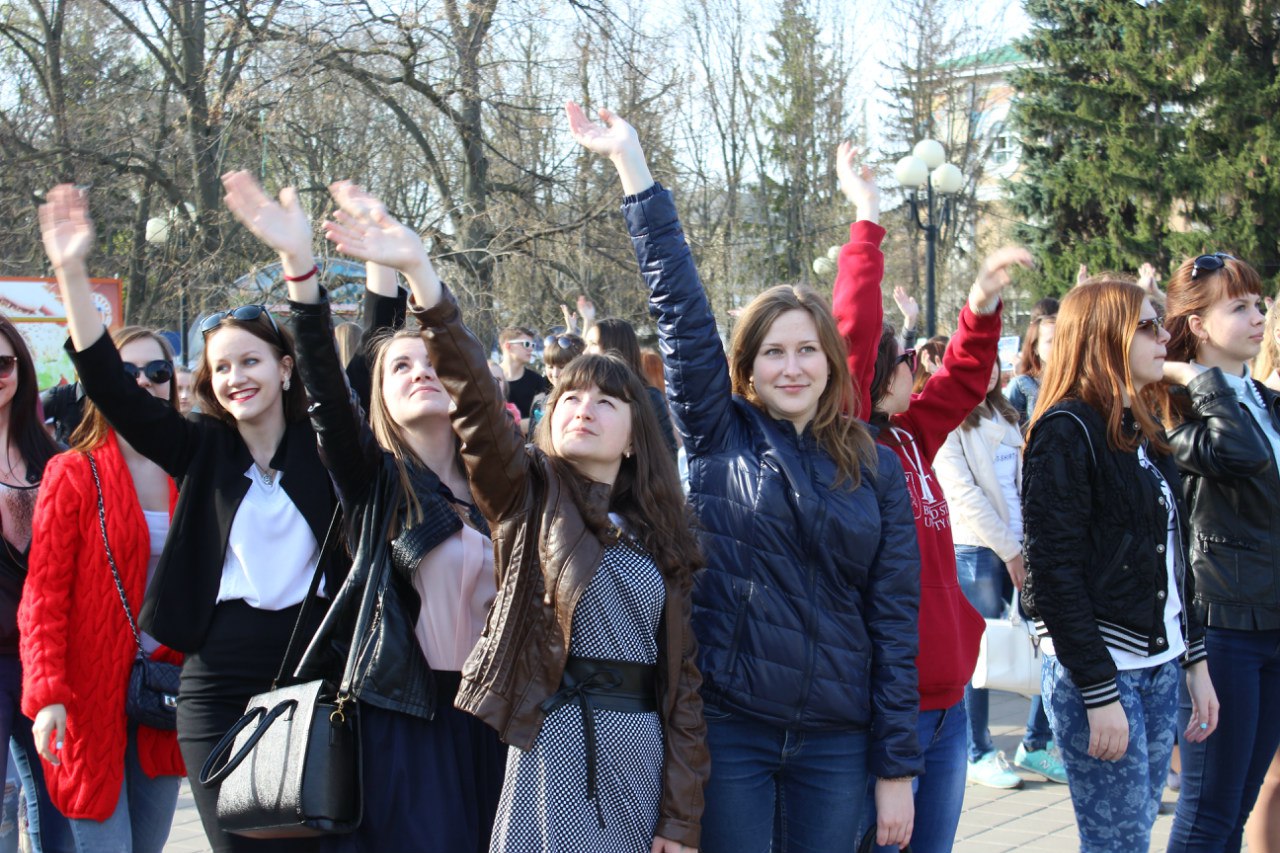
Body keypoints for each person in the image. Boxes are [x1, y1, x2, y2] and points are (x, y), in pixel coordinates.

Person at [564, 102, 922, 852]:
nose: (792, 367)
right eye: (773, 352)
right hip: (732, 729)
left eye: (807, 350)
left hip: (837, 739)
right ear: (748, 366)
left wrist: (895, 765)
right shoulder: (717, 431)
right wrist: (632, 165)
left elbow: (894, 621)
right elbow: (681, 310)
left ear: (831, 362)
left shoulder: (876, 465)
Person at [320, 171, 709, 853]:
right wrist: (420, 275)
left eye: (606, 402)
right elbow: (473, 396)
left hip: (640, 755)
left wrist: (680, 820)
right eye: (569, 399)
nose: (583, 410)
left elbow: (683, 691)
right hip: (551, 747)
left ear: (634, 436)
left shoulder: (661, 530)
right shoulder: (529, 495)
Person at [37, 184, 344, 853]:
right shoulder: (201, 449)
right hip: (216, 681)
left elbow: (326, 365)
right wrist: (72, 272)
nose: (236, 376)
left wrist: (297, 260)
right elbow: (111, 386)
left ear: (283, 369)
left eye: (251, 361)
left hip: (312, 667)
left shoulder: (327, 451)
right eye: (222, 366)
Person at [220, 172, 507, 852]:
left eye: (431, 360)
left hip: (500, 719)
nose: (421, 370)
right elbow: (323, 386)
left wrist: (415, 265)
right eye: (399, 366)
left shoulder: (503, 484)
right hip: (408, 718)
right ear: (380, 396)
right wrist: (299, 268)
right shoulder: (374, 480)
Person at [830, 142, 1030, 851]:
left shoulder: (913, 432)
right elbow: (852, 335)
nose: (918, 369)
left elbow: (966, 377)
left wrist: (981, 303)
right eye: (905, 361)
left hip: (947, 700)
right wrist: (867, 218)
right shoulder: (852, 443)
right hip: (893, 708)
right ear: (873, 376)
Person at [1020, 279, 1218, 853]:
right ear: (1105, 336)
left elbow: (1177, 558)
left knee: (1134, 837)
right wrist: (1099, 691)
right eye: (1148, 327)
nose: (1164, 338)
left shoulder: (1141, 424)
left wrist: (1195, 660)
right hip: (1103, 669)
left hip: (1158, 662)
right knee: (1118, 845)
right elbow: (1052, 574)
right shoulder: (1066, 429)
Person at [20, 325, 185, 853]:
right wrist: (48, 696)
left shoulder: (193, 468)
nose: (144, 381)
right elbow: (43, 598)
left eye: (157, 371)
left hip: (167, 693)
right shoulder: (72, 473)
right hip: (88, 699)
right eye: (126, 371)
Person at [1160, 253, 1280, 853]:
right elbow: (1239, 455)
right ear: (1198, 325)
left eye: (1258, 304)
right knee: (1209, 813)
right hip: (1221, 628)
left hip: (1272, 620)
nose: (1259, 317)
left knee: (1237, 809)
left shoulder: (1266, 401)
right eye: (1239, 307)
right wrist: (1195, 377)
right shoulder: (1173, 408)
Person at [933, 359, 1067, 787]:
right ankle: (978, 751)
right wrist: (1009, 550)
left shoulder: (1006, 414)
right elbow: (964, 495)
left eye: (992, 359)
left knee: (1051, 642)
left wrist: (1028, 543)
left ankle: (1036, 743)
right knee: (980, 655)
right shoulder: (950, 421)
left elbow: (1022, 484)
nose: (987, 368)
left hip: (1023, 546)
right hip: (978, 549)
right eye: (976, 361)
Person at [0, 314, 73, 853]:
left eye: (3, 363)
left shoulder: (55, 460)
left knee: (57, 813)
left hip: (44, 661)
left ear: (21, 370)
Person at [584, 319, 677, 459]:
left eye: (593, 344)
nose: (585, 352)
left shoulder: (648, 398)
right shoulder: (583, 393)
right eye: (586, 344)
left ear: (613, 347)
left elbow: (667, 454)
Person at [1005, 298, 1058, 424]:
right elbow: (1007, 430)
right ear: (1035, 347)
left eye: (1062, 340)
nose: (1058, 346)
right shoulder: (1021, 386)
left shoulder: (1079, 383)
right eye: (1050, 341)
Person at [528, 333, 586, 436]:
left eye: (562, 367)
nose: (555, 374)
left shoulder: (586, 404)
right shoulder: (540, 406)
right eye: (550, 367)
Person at [498, 326, 549, 423]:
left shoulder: (537, 381)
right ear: (508, 346)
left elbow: (537, 422)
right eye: (526, 344)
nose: (530, 349)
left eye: (532, 345)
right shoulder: (489, 377)